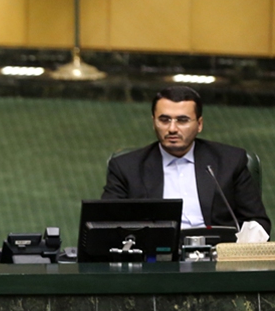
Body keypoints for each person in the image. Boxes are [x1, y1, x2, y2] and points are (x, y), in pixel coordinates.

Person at [102, 86, 270, 233]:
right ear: (154, 123)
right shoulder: (126, 167)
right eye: (164, 120)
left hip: (217, 257)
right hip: (156, 260)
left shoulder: (230, 161)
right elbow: (105, 224)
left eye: (182, 120)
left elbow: (257, 222)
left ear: (199, 124)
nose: (172, 128)